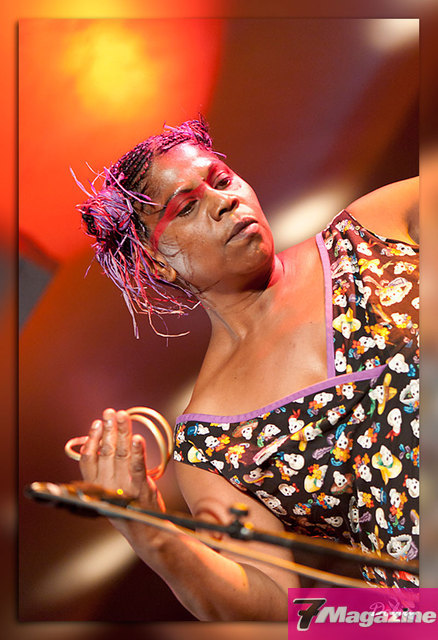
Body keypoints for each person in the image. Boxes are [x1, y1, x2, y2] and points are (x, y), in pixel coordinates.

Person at [76, 118, 419, 620]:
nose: (223, 201)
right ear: (159, 263)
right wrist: (148, 532)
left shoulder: (376, 227)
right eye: (186, 207)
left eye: (221, 179)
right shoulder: (209, 445)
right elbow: (275, 610)